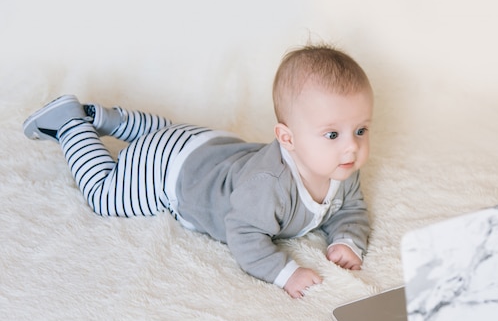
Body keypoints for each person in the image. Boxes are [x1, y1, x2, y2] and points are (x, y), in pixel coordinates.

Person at [22, 44, 373, 298]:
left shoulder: (343, 168)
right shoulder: (268, 186)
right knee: (104, 195)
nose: (351, 147)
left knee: (168, 131)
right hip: (170, 170)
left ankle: (108, 118)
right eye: (332, 134)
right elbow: (243, 233)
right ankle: (70, 123)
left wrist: (346, 239)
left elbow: (352, 208)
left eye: (360, 130)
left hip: (209, 144)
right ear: (287, 138)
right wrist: (285, 272)